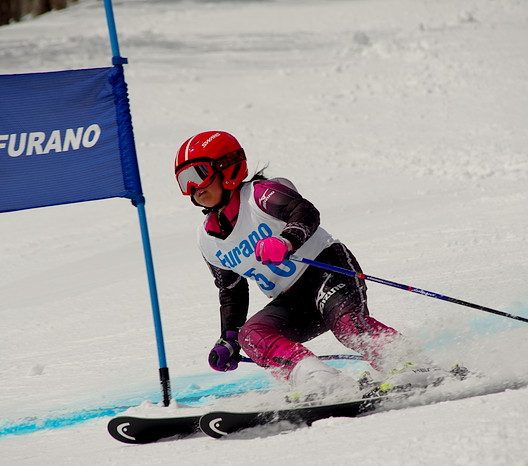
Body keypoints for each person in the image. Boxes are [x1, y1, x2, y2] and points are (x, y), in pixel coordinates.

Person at [174, 130, 445, 399]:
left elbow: (304, 211)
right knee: (252, 335)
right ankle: (322, 382)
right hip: (290, 301)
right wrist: (229, 338)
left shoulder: (259, 195)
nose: (193, 188)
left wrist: (286, 240)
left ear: (227, 168)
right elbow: (231, 290)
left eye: (197, 175)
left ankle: (410, 365)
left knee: (347, 325)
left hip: (327, 271)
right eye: (183, 181)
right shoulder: (207, 239)